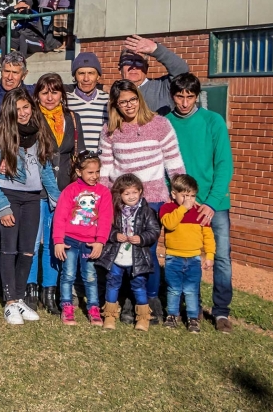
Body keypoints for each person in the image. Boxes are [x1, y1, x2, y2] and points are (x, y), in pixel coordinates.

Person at [99, 80, 185, 324]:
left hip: (153, 200)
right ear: (115, 104)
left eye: (132, 99)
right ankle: (126, 299)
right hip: (122, 203)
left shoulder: (160, 124)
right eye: (122, 101)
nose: (129, 105)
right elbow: (105, 170)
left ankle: (149, 299)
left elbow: (174, 163)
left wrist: (181, 195)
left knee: (146, 252)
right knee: (122, 252)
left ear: (139, 98)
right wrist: (107, 202)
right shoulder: (109, 130)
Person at [167, 73, 234, 334]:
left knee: (220, 257)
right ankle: (187, 308)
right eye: (179, 96)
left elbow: (224, 164)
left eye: (190, 97)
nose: (184, 102)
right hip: (182, 204)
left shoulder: (212, 121)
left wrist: (212, 202)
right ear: (172, 95)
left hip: (213, 204)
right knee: (182, 255)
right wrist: (178, 200)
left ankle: (221, 312)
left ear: (197, 96)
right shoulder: (166, 123)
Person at [0, 87, 52, 324]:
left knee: (28, 250)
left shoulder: (39, 132)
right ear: (9, 111)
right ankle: (10, 302)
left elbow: (46, 170)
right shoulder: (1, 136)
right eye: (17, 109)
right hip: (9, 196)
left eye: (26, 107)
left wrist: (57, 198)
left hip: (33, 198)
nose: (22, 113)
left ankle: (20, 298)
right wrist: (2, 206)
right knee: (9, 249)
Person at [25, 73, 85, 315]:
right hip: (36, 188)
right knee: (32, 241)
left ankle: (50, 291)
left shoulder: (72, 117)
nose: (50, 97)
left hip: (64, 189)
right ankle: (30, 289)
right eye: (44, 92)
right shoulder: (31, 117)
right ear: (37, 95)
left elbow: (77, 152)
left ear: (62, 94)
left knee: (54, 241)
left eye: (55, 91)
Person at [53, 150, 112, 326]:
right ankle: (67, 307)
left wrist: (100, 242)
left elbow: (105, 219)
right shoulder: (70, 191)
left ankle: (93, 309)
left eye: (97, 172)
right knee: (68, 275)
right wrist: (58, 241)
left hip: (90, 242)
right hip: (70, 241)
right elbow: (60, 217)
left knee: (91, 276)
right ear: (79, 172)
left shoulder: (104, 192)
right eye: (90, 172)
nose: (95, 176)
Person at [96, 174, 161, 331]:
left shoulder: (147, 211)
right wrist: (114, 235)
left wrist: (141, 238)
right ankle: (110, 316)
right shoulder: (115, 211)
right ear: (120, 194)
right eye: (126, 193)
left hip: (137, 256)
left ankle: (143, 318)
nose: (131, 196)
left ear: (140, 191)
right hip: (117, 255)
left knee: (139, 285)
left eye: (134, 192)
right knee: (112, 283)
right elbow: (106, 227)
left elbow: (154, 230)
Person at [160, 174, 215, 334]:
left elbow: (208, 236)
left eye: (192, 196)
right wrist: (183, 208)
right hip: (173, 257)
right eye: (185, 195)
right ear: (173, 194)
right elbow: (169, 223)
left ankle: (193, 318)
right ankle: (172, 315)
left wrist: (210, 256)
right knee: (174, 288)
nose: (189, 199)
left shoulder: (200, 212)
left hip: (193, 258)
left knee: (191, 289)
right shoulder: (168, 209)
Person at [119, 35, 190, 116]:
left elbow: (182, 71)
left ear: (146, 67)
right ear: (119, 69)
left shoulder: (162, 87)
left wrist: (156, 49)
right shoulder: (115, 93)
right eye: (129, 62)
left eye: (139, 62)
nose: (134, 66)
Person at [66, 52, 108, 152]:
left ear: (98, 76)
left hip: (101, 163)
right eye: (81, 73)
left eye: (91, 73)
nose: (86, 79)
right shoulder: (65, 101)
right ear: (74, 76)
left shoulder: (108, 100)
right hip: (75, 163)